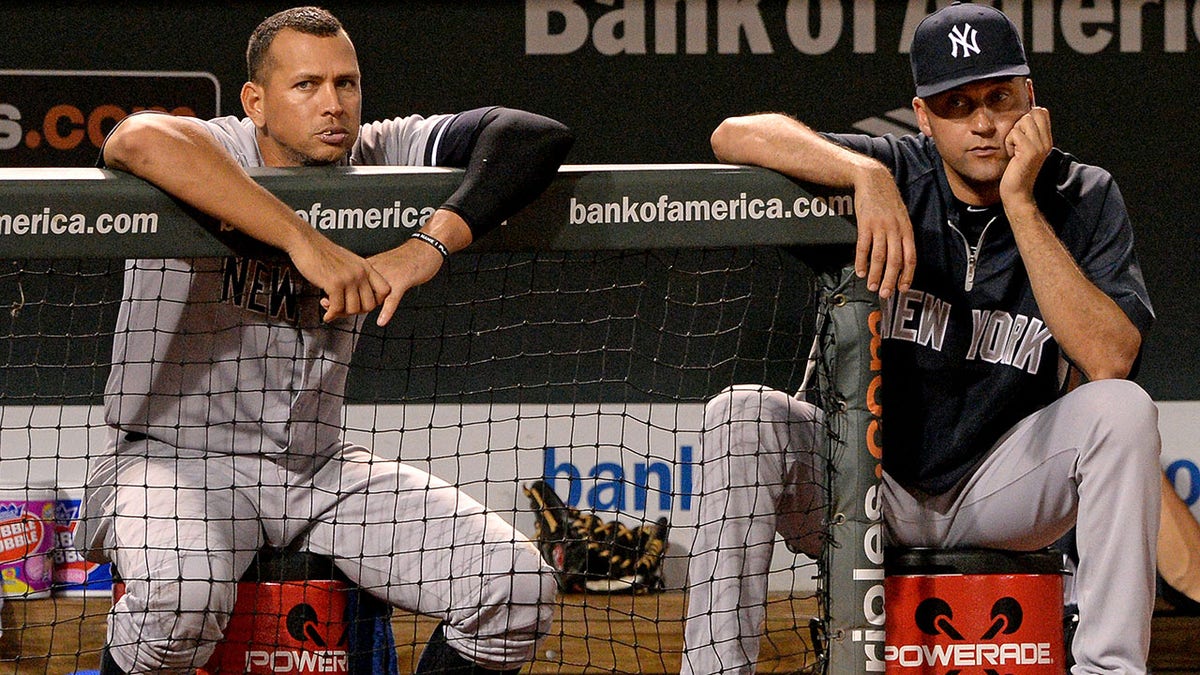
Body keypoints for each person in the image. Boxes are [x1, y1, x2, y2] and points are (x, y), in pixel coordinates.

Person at [77, 6, 573, 674]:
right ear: (256, 101)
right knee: (180, 601)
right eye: (305, 85)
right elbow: (134, 139)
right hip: (173, 460)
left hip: (319, 468)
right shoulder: (220, 147)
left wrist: (430, 245)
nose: (332, 104)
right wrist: (302, 241)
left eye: (347, 84)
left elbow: (532, 136)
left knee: (514, 585)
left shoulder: (376, 153)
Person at [681, 3, 1159, 674]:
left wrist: (1020, 204)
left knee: (1123, 410)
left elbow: (1111, 358)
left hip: (1000, 490)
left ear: (1032, 97)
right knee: (739, 415)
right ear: (923, 115)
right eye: (957, 105)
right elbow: (733, 135)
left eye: (999, 97)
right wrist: (860, 173)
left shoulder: (1081, 195)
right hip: (863, 486)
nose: (985, 122)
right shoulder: (893, 170)